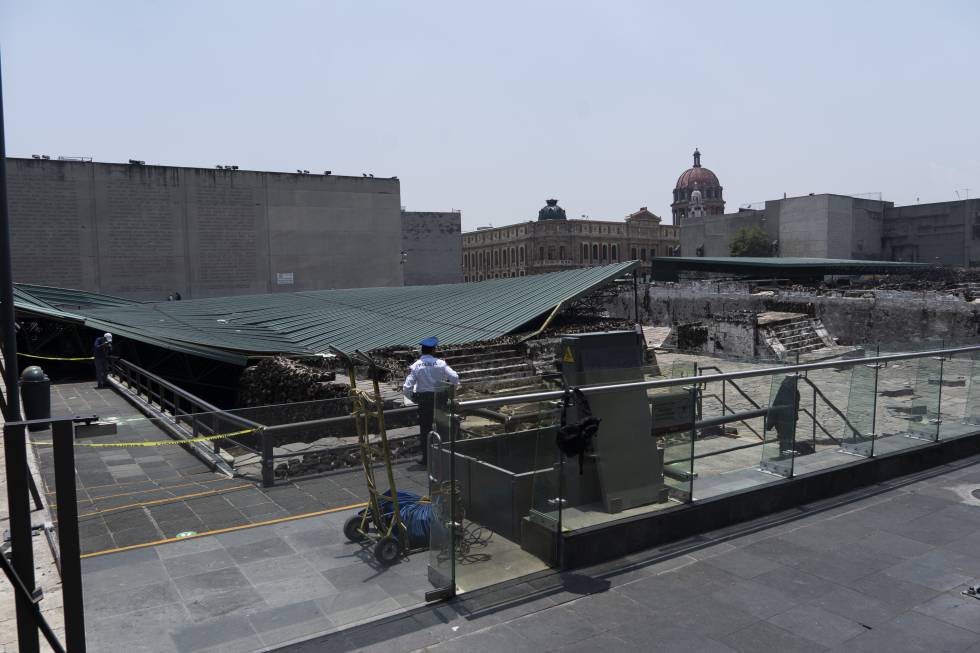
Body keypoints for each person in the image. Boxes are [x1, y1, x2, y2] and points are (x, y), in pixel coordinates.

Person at [403, 337, 459, 466]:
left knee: (425, 430)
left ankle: (426, 460)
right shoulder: (441, 363)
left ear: (422, 351)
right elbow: (455, 377)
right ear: (433, 350)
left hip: (424, 400)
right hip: (440, 398)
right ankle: (445, 458)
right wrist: (451, 391)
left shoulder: (416, 365)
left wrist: (413, 398)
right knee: (443, 427)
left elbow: (407, 387)